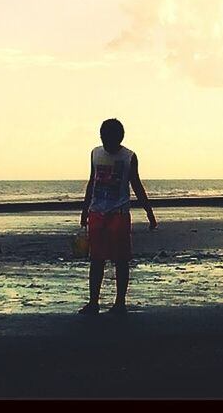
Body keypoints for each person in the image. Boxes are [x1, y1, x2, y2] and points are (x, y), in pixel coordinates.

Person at [78, 118, 156, 314]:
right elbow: (91, 182)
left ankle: (120, 302)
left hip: (119, 214)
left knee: (121, 260)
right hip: (97, 212)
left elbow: (136, 185)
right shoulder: (95, 154)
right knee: (96, 259)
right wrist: (85, 210)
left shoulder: (129, 157)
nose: (107, 142)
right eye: (104, 138)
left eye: (111, 138)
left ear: (120, 138)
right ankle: (93, 302)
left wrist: (149, 212)